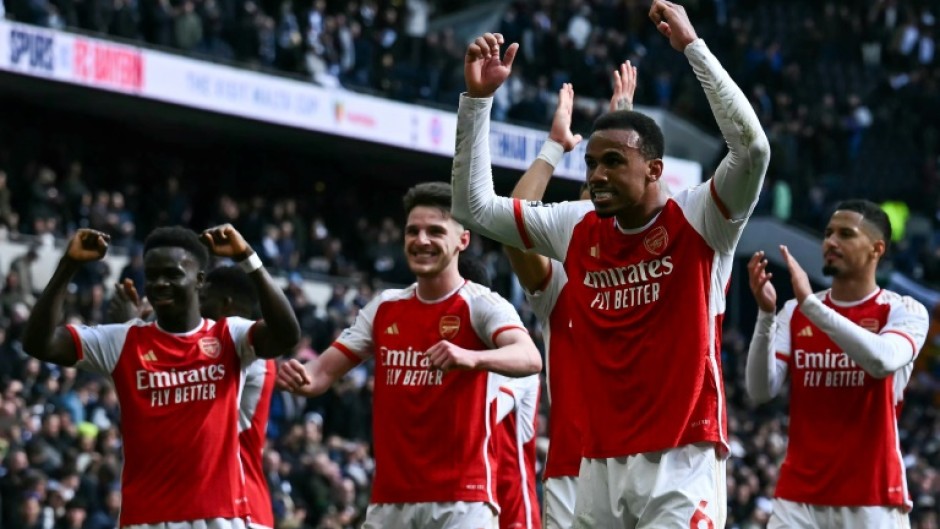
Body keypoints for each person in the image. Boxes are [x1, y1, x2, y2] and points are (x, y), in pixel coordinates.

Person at [450, 1, 771, 526]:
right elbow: (475, 209)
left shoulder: (701, 217)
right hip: (594, 464)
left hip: (681, 455)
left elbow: (753, 149)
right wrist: (477, 101)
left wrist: (693, 47)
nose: (596, 174)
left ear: (655, 170)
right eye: (592, 163)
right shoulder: (577, 226)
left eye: (613, 162)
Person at [277, 182, 542, 529]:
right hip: (390, 500)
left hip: (462, 498)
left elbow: (530, 357)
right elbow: (320, 374)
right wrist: (298, 376)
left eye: (435, 231)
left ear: (462, 241)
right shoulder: (384, 307)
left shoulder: (481, 304)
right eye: (412, 231)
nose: (421, 240)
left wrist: (472, 358)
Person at [22, 224, 301, 528]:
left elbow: (286, 335)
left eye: (172, 274)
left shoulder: (229, 335)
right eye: (152, 276)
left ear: (199, 280)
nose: (159, 283)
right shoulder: (121, 340)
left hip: (220, 516)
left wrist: (248, 257)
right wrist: (68, 265)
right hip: (146, 518)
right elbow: (39, 343)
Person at [500, 64, 637, 529]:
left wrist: (625, 133)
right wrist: (554, 148)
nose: (597, 206)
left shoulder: (657, 268)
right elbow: (515, 226)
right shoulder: (559, 280)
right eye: (589, 193)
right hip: (573, 468)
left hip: (650, 461)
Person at [745, 199, 928, 528]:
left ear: (877, 249)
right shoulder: (795, 311)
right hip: (797, 498)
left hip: (873, 497)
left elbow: (881, 361)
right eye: (828, 233)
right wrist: (766, 316)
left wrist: (813, 308)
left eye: (846, 234)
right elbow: (760, 390)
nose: (830, 241)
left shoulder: (904, 311)